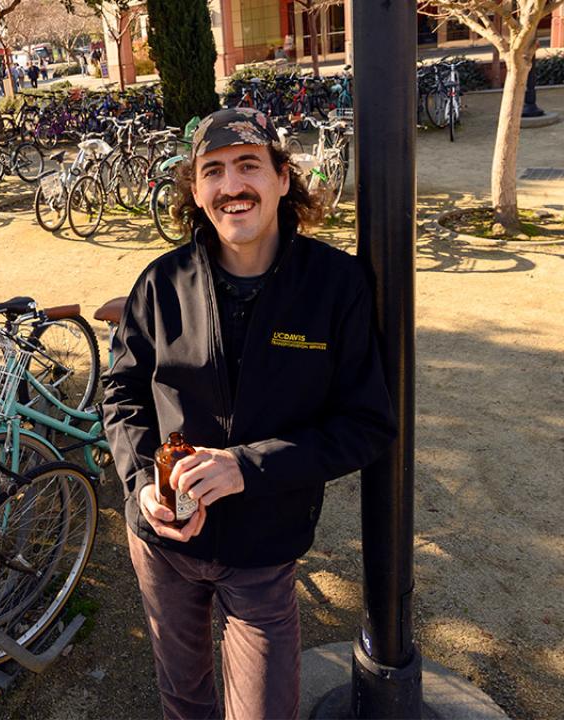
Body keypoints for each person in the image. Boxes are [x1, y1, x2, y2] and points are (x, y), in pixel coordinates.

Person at [102, 107, 396, 719]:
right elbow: (124, 396)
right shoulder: (160, 283)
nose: (232, 185)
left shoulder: (336, 285)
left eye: (248, 165)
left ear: (283, 178)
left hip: (264, 551)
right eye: (213, 171)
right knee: (183, 696)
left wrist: (246, 468)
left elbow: (365, 425)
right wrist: (138, 492)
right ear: (196, 190)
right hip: (163, 543)